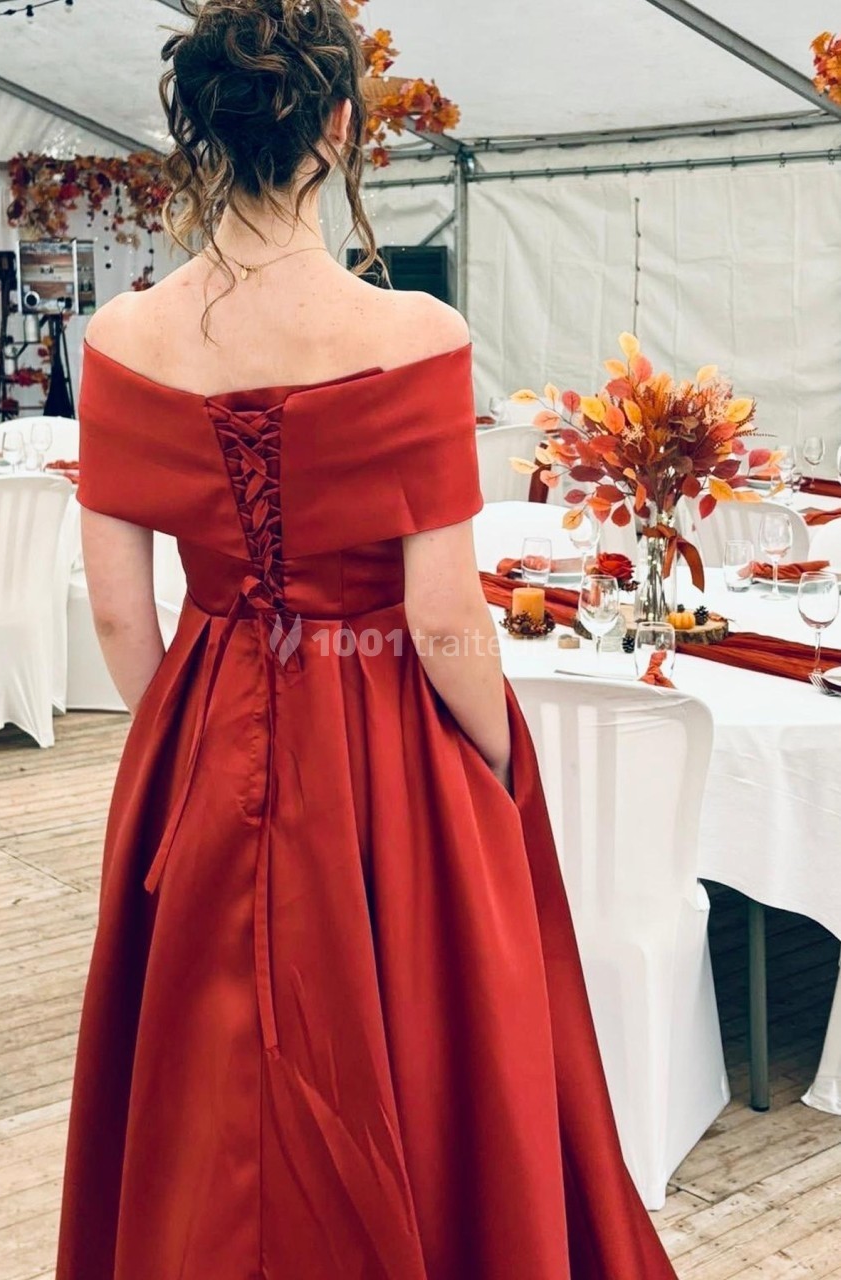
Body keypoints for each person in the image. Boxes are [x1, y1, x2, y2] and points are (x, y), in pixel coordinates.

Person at [56, 2, 679, 1277]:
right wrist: (501, 763)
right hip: (386, 738)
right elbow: (444, 614)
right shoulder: (414, 337)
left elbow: (121, 612)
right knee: (420, 1042)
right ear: (339, 129)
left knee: (209, 1075)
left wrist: (191, 724)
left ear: (199, 134)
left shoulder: (120, 341)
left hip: (207, 720)